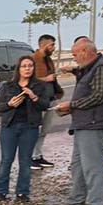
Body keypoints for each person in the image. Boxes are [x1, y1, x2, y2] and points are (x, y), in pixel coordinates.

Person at [55, 39, 103, 205]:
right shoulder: (91, 68)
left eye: (75, 54)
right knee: (78, 164)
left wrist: (72, 105)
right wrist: (75, 71)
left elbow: (99, 95)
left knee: (92, 165)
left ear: (85, 51)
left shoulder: (101, 68)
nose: (74, 58)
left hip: (94, 123)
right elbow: (88, 79)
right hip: (83, 123)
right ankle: (76, 199)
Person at [0, 55, 52, 201]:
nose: (27, 69)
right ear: (18, 68)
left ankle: (22, 192)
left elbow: (45, 105)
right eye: (24, 66)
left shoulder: (39, 86)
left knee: (25, 160)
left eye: (30, 66)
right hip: (9, 127)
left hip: (29, 127)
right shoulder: (8, 86)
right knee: (6, 159)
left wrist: (33, 96)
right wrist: (9, 104)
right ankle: (1, 191)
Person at [30, 35, 63, 169]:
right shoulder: (32, 60)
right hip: (38, 101)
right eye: (52, 45)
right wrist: (46, 79)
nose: (54, 48)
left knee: (45, 130)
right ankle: (30, 157)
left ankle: (37, 155)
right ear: (44, 45)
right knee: (35, 129)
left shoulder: (48, 60)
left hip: (51, 99)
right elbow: (29, 80)